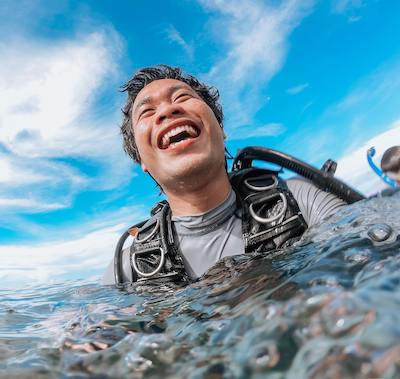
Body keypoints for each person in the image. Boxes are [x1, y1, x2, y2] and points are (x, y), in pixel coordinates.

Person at [102, 65, 351, 286]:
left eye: (182, 96)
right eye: (147, 112)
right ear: (141, 159)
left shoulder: (298, 201)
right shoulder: (127, 271)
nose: (167, 111)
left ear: (220, 129)